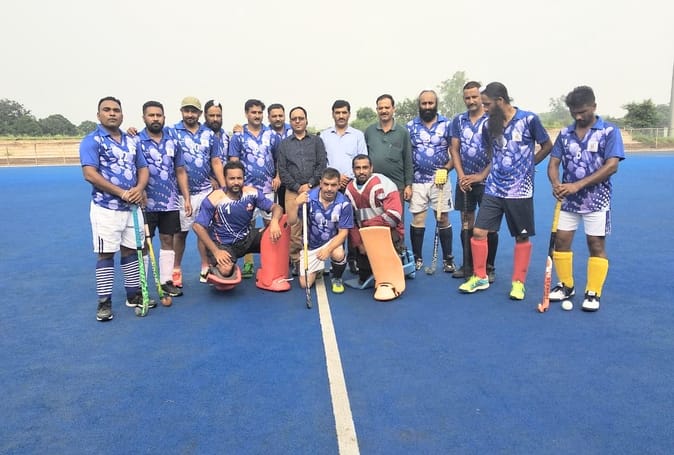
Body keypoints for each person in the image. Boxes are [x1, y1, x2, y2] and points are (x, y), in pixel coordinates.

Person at [459, 82, 553, 300]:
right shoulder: (488, 125)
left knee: (521, 237)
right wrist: (484, 175)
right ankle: (480, 277)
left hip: (520, 191)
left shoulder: (529, 120)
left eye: (487, 104)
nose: (484, 109)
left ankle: (518, 283)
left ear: (500, 101)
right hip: (493, 188)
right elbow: (492, 153)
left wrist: (530, 164)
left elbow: (547, 145)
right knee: (479, 231)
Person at [547, 85, 625, 312]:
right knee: (561, 241)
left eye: (582, 111)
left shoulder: (609, 131)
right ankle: (566, 285)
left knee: (595, 244)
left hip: (597, 200)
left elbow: (611, 166)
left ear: (594, 106)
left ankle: (593, 291)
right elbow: (553, 163)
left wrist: (578, 185)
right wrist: (556, 184)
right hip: (568, 201)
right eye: (574, 112)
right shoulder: (565, 134)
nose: (578, 116)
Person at [79, 96, 151, 321]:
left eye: (116, 110)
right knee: (106, 253)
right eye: (107, 110)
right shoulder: (92, 140)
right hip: (106, 208)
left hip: (132, 208)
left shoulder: (132, 141)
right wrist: (121, 193)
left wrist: (139, 188)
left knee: (131, 250)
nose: (112, 113)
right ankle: (104, 301)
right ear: (98, 114)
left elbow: (143, 168)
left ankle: (133, 295)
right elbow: (89, 174)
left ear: (122, 115)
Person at [134, 101, 192, 298]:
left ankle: (166, 281)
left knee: (168, 239)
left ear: (164, 117)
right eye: (151, 115)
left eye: (159, 115)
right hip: (145, 203)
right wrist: (139, 189)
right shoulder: (136, 140)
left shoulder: (172, 141)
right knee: (144, 243)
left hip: (169, 201)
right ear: (144, 118)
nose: (155, 118)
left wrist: (186, 197)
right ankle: (141, 287)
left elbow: (180, 171)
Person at [169, 96, 226, 289]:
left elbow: (216, 161)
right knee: (180, 234)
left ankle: (205, 266)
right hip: (181, 194)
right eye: (187, 110)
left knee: (205, 232)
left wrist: (224, 188)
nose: (190, 114)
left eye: (193, 111)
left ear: (200, 113)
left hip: (205, 192)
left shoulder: (209, 134)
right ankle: (176, 269)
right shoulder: (172, 132)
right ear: (181, 112)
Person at [192, 161, 283, 279]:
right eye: (232, 178)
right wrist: (216, 251)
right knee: (226, 271)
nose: (236, 182)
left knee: (276, 235)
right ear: (225, 179)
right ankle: (212, 267)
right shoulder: (214, 198)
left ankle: (271, 274)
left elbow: (277, 208)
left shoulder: (252, 193)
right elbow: (197, 226)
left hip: (247, 238)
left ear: (244, 178)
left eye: (239, 178)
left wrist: (274, 222)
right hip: (224, 244)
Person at [449, 81, 498, 282]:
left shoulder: (492, 120)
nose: (471, 101)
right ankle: (468, 264)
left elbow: (498, 152)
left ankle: (488, 266)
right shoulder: (458, 121)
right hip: (465, 181)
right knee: (466, 221)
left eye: (474, 97)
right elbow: (454, 150)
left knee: (489, 226)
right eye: (467, 98)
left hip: (489, 181)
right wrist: (461, 176)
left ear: (481, 97)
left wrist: (481, 176)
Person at [228, 99, 281, 279]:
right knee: (245, 228)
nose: (257, 116)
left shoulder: (272, 135)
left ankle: (270, 262)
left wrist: (278, 176)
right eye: (253, 112)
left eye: (259, 112)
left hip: (267, 189)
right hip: (246, 191)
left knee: (270, 226)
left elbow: (278, 159)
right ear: (246, 114)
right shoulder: (238, 136)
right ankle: (248, 263)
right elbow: (234, 163)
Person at [406, 90, 456, 273]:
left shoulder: (447, 124)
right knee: (418, 219)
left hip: (440, 181)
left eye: (430, 103)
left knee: (442, 218)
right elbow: (406, 155)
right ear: (419, 105)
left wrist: (446, 169)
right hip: (418, 181)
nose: (427, 107)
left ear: (436, 104)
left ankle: (448, 259)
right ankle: (417, 258)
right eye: (424, 103)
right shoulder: (410, 126)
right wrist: (408, 182)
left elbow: (455, 152)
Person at [277, 106, 328, 275]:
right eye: (294, 119)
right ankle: (296, 260)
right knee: (294, 227)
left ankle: (316, 260)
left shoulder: (316, 141)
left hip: (315, 190)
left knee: (316, 225)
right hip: (293, 191)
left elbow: (322, 164)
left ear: (306, 120)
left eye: (301, 118)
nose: (297, 121)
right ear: (290, 122)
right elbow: (282, 170)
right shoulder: (284, 144)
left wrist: (311, 184)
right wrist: (297, 187)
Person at [287, 167, 353, 292]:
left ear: (339, 185)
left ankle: (337, 277)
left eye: (333, 185)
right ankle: (318, 269)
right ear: (321, 183)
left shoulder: (344, 204)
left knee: (338, 254)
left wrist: (328, 250)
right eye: (326, 184)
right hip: (311, 245)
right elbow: (291, 221)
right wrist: (295, 204)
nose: (329, 188)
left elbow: (343, 233)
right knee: (305, 284)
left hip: (332, 242)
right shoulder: (308, 198)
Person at [321, 99, 368, 274]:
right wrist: (335, 177)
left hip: (352, 185)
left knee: (353, 222)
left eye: (344, 112)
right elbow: (322, 161)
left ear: (349, 114)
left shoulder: (357, 135)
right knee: (331, 221)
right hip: (331, 186)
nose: (341, 116)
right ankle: (332, 257)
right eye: (337, 112)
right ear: (333, 114)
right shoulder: (324, 135)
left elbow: (362, 158)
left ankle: (353, 259)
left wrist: (350, 177)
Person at [344, 154, 404, 284]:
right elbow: (351, 221)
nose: (361, 171)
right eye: (358, 168)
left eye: (365, 167)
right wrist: (359, 244)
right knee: (364, 277)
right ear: (353, 170)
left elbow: (394, 216)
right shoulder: (349, 190)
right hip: (365, 238)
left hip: (387, 233)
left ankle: (398, 254)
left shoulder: (385, 184)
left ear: (371, 168)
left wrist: (369, 225)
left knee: (389, 276)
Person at [364, 94, 413, 218]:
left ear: (393, 109)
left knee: (396, 221)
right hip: (374, 186)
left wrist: (408, 185)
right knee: (374, 221)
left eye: (387, 107)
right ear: (377, 110)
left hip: (397, 187)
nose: (384, 111)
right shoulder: (369, 131)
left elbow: (408, 159)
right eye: (380, 108)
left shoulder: (403, 132)